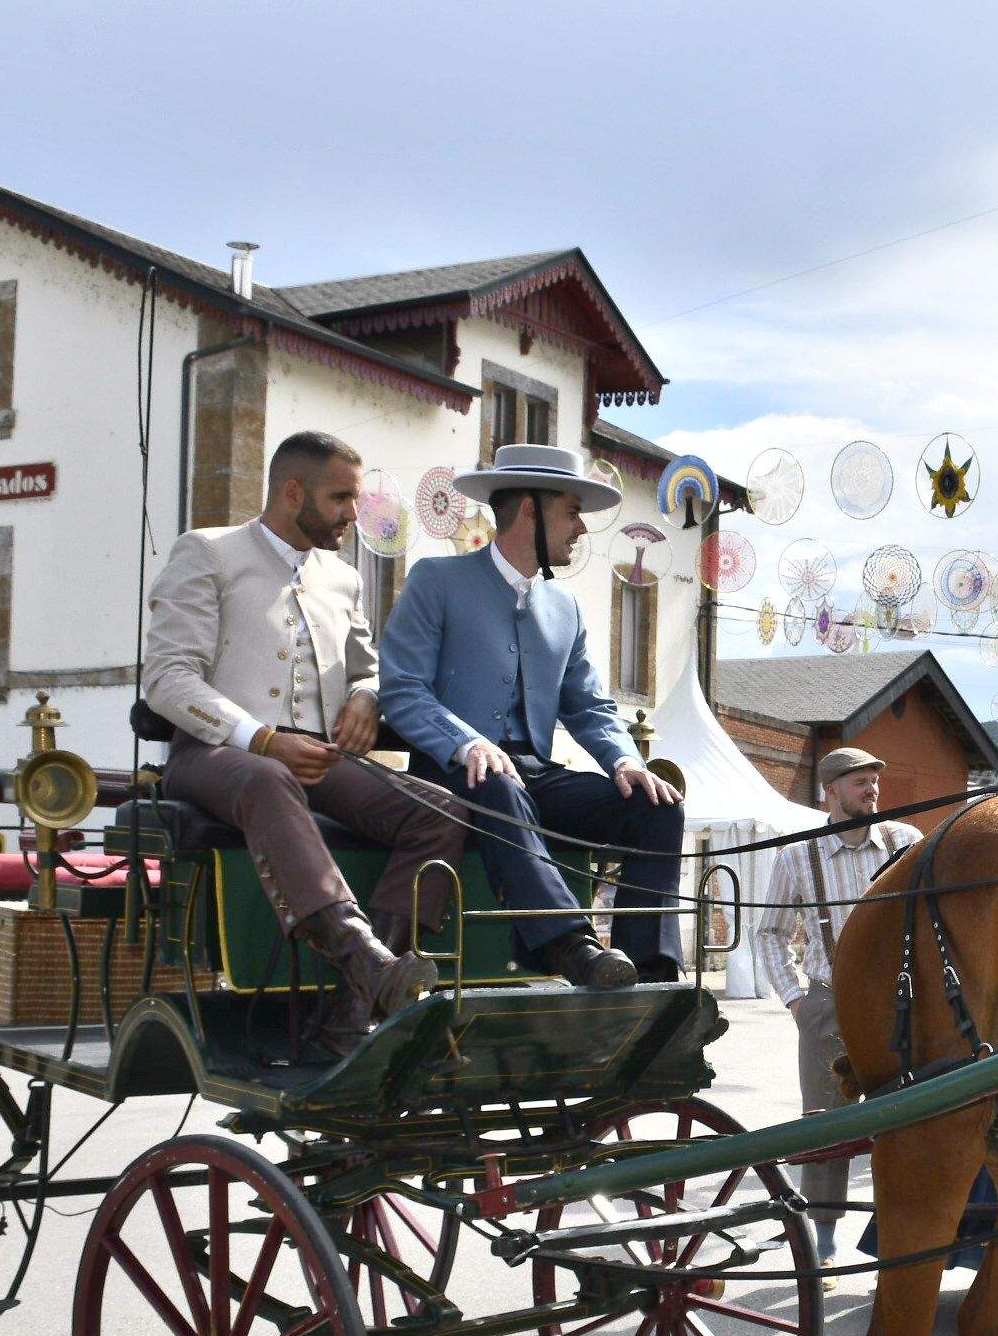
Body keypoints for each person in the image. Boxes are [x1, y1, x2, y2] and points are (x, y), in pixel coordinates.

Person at [142, 431, 462, 1056]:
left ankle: (350, 1012)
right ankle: (364, 959)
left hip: (316, 757)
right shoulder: (208, 553)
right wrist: (259, 738)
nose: (353, 513)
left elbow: (370, 667)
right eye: (342, 497)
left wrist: (367, 698)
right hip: (213, 756)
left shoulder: (342, 579)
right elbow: (166, 677)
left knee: (441, 809)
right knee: (268, 776)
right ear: (293, 492)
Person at [380, 444, 685, 989]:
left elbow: (589, 705)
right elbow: (402, 689)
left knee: (653, 804)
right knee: (497, 780)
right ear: (529, 510)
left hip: (533, 778)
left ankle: (649, 972)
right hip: (451, 777)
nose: (581, 529)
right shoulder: (436, 580)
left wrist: (625, 760)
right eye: (571, 511)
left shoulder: (564, 608)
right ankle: (570, 945)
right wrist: (467, 742)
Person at [753, 747, 921, 1272]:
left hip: (905, 1000)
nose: (872, 789)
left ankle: (907, 1229)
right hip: (830, 1002)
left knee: (912, 1116)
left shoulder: (905, 842)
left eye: (875, 780)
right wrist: (798, 1001)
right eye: (859, 782)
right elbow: (769, 933)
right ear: (830, 791)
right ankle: (823, 1236)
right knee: (825, 1122)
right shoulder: (796, 856)